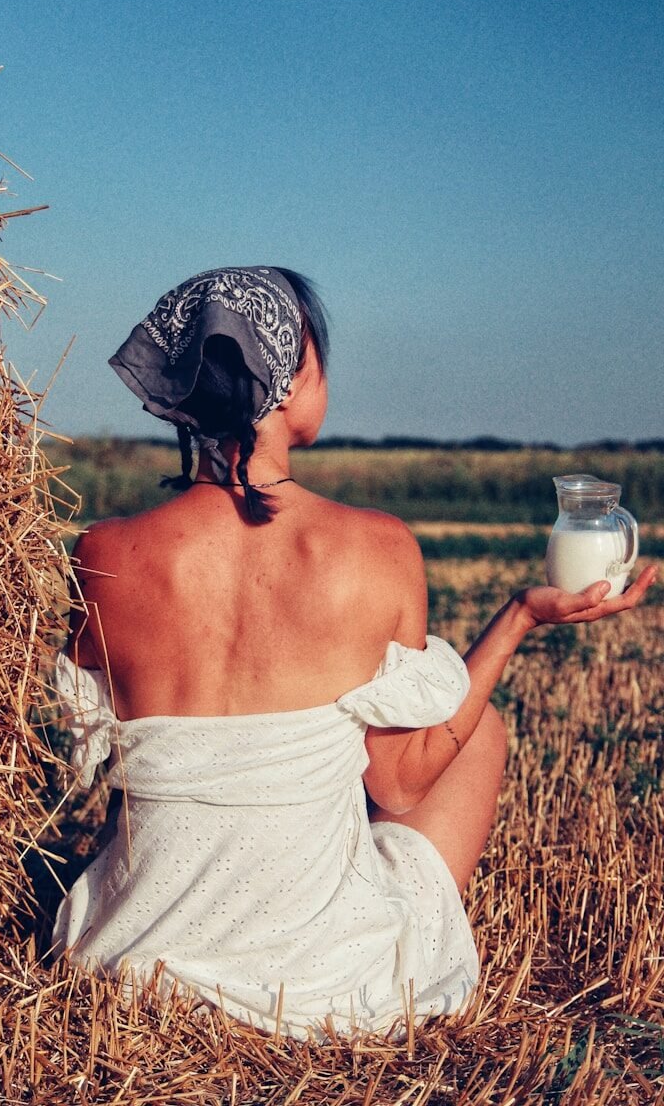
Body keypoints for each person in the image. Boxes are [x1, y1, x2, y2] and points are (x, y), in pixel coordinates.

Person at [47, 265, 656, 1039]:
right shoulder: (377, 549)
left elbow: (103, 767)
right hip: (317, 983)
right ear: (296, 372)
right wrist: (517, 620)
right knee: (480, 731)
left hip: (135, 963)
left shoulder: (102, 552)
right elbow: (401, 784)